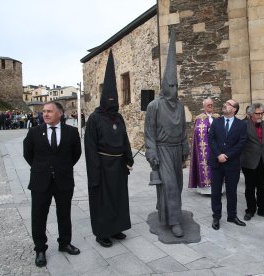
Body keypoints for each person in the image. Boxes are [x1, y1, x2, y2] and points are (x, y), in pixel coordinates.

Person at [23, 101, 82, 267]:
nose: (45, 114)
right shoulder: (34, 132)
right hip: (41, 181)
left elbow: (76, 154)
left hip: (63, 180)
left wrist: (62, 167)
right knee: (39, 216)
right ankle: (40, 249)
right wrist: (41, 168)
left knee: (64, 214)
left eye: (49, 111)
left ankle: (64, 243)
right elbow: (28, 153)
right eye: (44, 111)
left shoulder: (72, 132)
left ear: (60, 113)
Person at [85, 50, 134, 248]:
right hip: (103, 165)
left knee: (119, 197)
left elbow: (125, 138)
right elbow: (90, 147)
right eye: (110, 98)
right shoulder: (95, 119)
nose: (113, 102)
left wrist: (128, 158)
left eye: (116, 98)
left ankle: (117, 228)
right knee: (103, 200)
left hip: (119, 164)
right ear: (104, 98)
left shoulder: (119, 117)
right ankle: (102, 232)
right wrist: (95, 171)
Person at [144, 28, 189, 238]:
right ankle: (174, 222)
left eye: (176, 84)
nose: (174, 87)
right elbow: (149, 133)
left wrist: (184, 150)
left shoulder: (179, 106)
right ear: (164, 85)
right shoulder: (154, 105)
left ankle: (167, 212)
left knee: (176, 186)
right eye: (170, 84)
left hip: (175, 150)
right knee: (169, 186)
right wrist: (152, 154)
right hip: (161, 151)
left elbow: (183, 130)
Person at [208, 99, 247, 230]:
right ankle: (216, 216)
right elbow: (211, 138)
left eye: (229, 104)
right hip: (216, 162)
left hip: (232, 163)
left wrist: (228, 155)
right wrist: (219, 154)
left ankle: (232, 215)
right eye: (225, 103)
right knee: (216, 191)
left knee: (231, 191)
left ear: (235, 109)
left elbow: (241, 143)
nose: (225, 105)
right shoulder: (216, 122)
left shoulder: (241, 125)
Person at [240, 103, 264, 221]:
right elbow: (239, 143)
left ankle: (262, 209)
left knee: (263, 188)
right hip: (249, 162)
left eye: (262, 113)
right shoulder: (243, 125)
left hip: (263, 161)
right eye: (257, 113)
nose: (260, 115)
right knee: (249, 188)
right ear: (250, 114)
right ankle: (250, 210)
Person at [188, 98, 219, 194]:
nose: (210, 106)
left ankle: (218, 188)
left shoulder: (217, 117)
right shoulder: (199, 118)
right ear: (204, 106)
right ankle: (206, 190)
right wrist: (208, 132)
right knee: (205, 165)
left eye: (211, 105)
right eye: (208, 105)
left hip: (217, 147)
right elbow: (197, 132)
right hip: (205, 147)